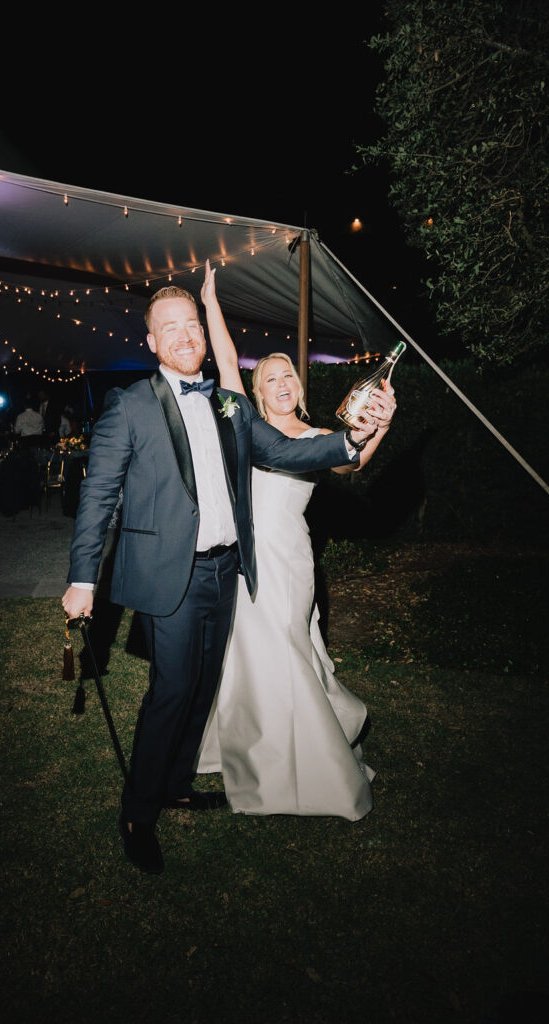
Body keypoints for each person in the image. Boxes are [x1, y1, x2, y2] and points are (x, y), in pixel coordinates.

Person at [61, 270, 390, 876]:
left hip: (227, 572)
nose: (185, 336)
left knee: (204, 686)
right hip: (171, 577)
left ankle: (179, 782)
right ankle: (138, 811)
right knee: (172, 690)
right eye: (171, 329)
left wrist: (354, 440)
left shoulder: (229, 403)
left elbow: (287, 451)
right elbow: (99, 495)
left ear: (204, 340)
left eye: (193, 325)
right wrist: (83, 579)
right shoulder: (129, 406)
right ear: (153, 343)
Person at [196, 262, 396, 819]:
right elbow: (228, 363)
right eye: (272, 380)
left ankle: (314, 764)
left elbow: (351, 462)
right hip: (245, 560)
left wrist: (377, 424)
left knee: (286, 648)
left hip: (288, 562)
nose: (282, 385)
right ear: (258, 393)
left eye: (289, 378)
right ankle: (243, 748)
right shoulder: (248, 427)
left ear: (299, 387)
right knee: (248, 655)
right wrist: (212, 304)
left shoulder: (316, 436)